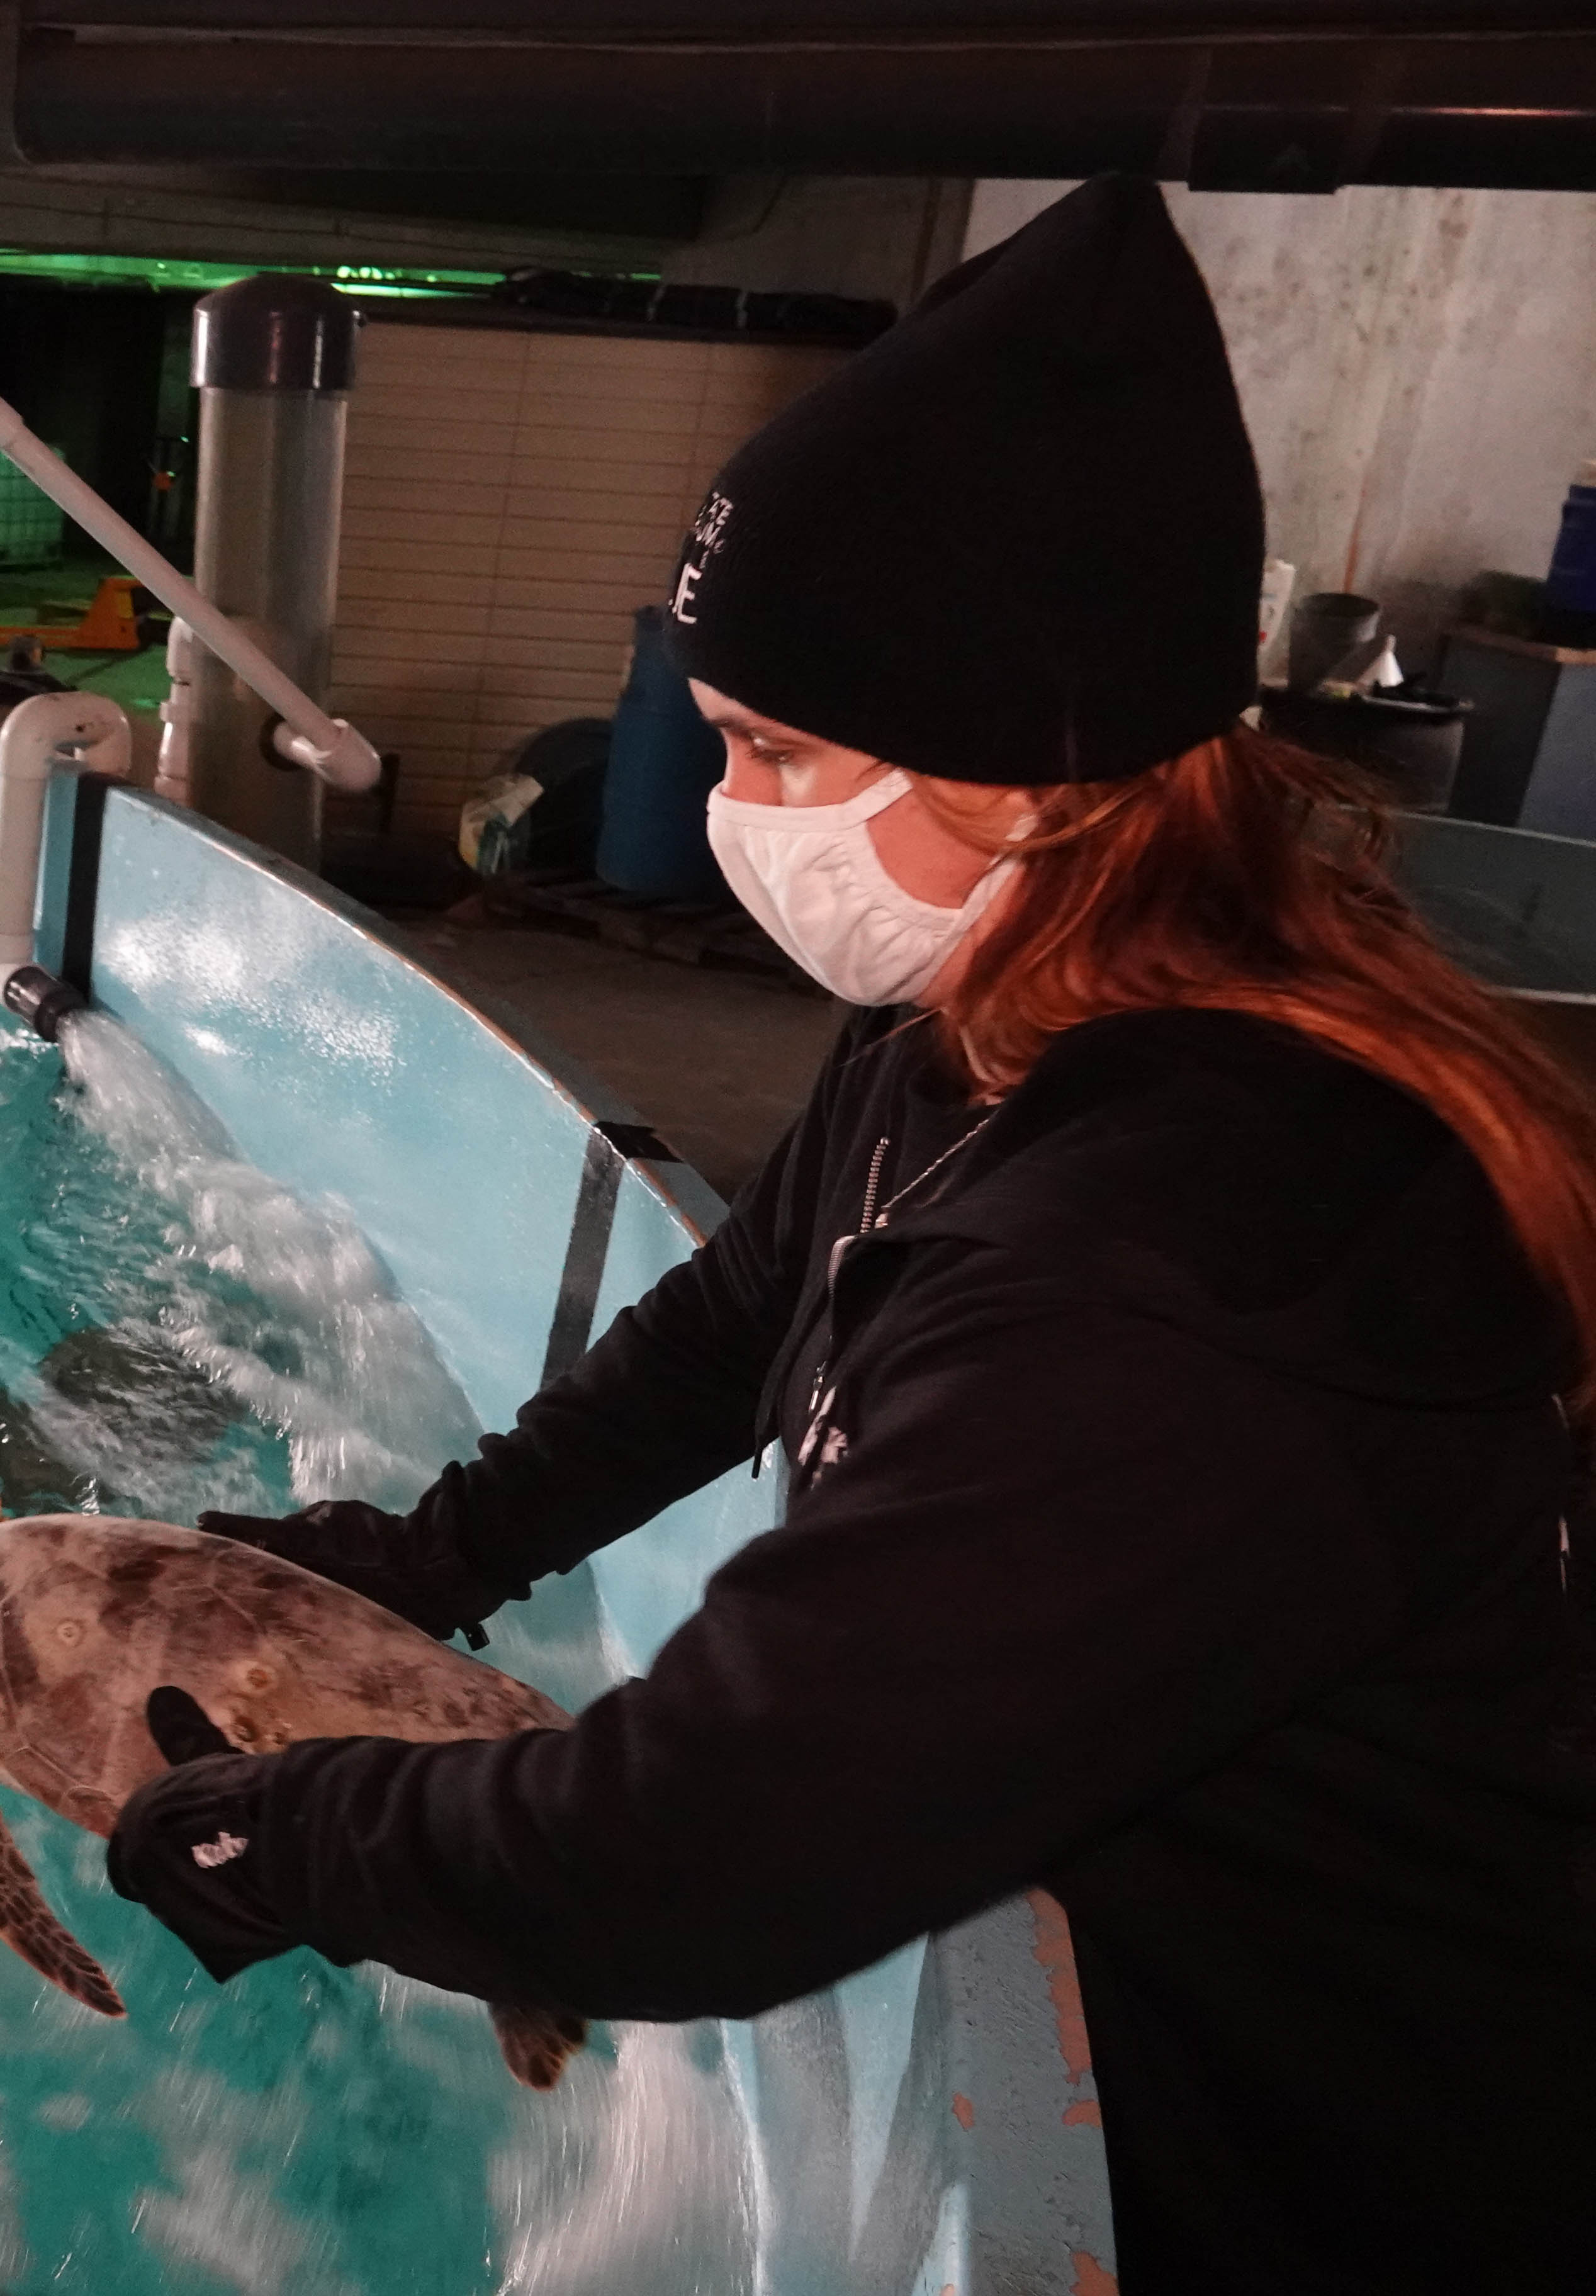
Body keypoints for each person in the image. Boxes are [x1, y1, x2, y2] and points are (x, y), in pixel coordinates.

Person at [103, 176, 1596, 2292]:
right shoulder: (985, 1031)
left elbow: (703, 1859)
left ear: (1042, 771)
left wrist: (298, 1831)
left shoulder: (1199, 1263)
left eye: (777, 749)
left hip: (1333, 2178)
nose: (735, 810)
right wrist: (428, 1556)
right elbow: (737, 1320)